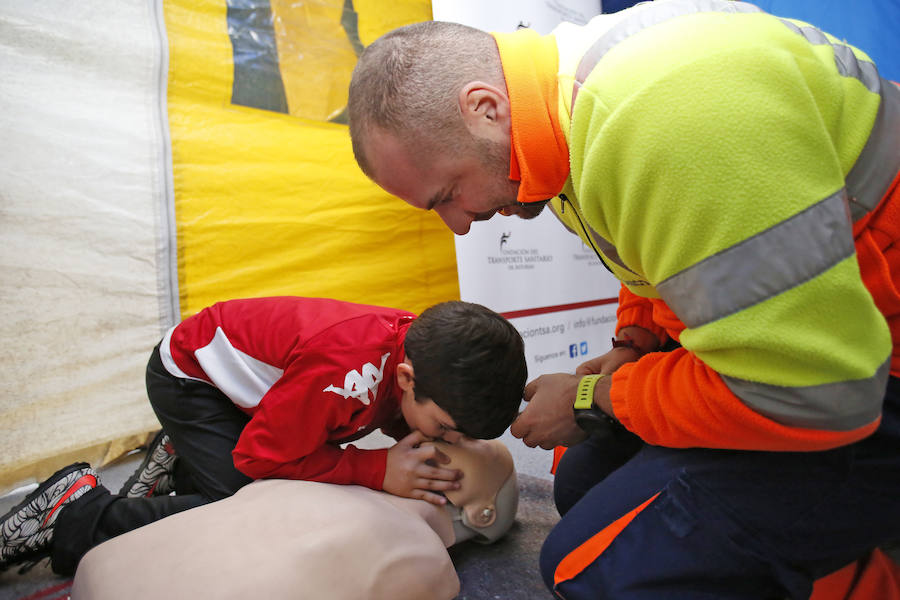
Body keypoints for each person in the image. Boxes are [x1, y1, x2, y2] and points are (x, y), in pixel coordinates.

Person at [346, 1, 900, 598]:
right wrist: (632, 343)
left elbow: (813, 389)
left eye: (448, 194)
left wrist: (595, 399)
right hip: (829, 336)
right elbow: (651, 257)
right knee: (583, 481)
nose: (459, 225)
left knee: (596, 567)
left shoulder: (667, 113)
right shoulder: (554, 123)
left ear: (485, 108)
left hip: (863, 368)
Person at [0, 297, 526, 576]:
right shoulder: (347, 372)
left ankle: (181, 454)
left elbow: (358, 418)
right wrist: (374, 469)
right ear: (408, 378)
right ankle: (76, 512)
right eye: (444, 430)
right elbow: (259, 458)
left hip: (248, 396)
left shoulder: (413, 352)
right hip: (192, 378)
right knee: (244, 506)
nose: (442, 441)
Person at [69, 438, 519, 600]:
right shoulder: (421, 560)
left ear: (483, 512)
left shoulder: (421, 561)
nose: (456, 435)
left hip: (100, 571)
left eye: (478, 445)